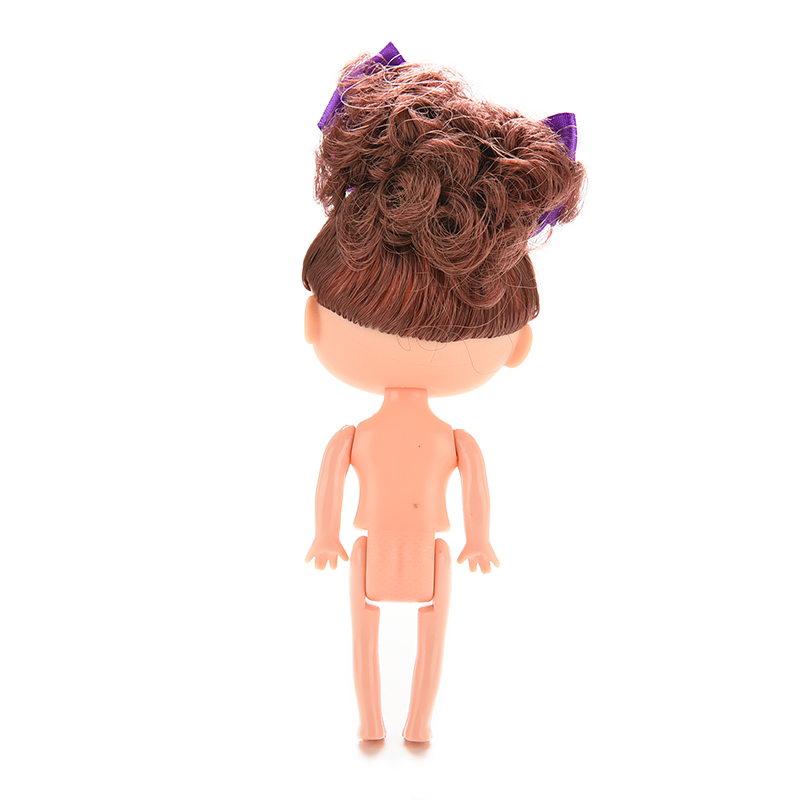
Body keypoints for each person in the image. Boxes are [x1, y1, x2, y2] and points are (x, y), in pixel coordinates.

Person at [303, 43, 585, 742]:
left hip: (432, 549)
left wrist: (478, 538)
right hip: (368, 549)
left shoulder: (450, 443)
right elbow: (333, 479)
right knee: (365, 633)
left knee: (431, 636)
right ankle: (373, 720)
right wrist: (326, 534)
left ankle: (418, 721)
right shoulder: (358, 440)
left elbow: (474, 491)